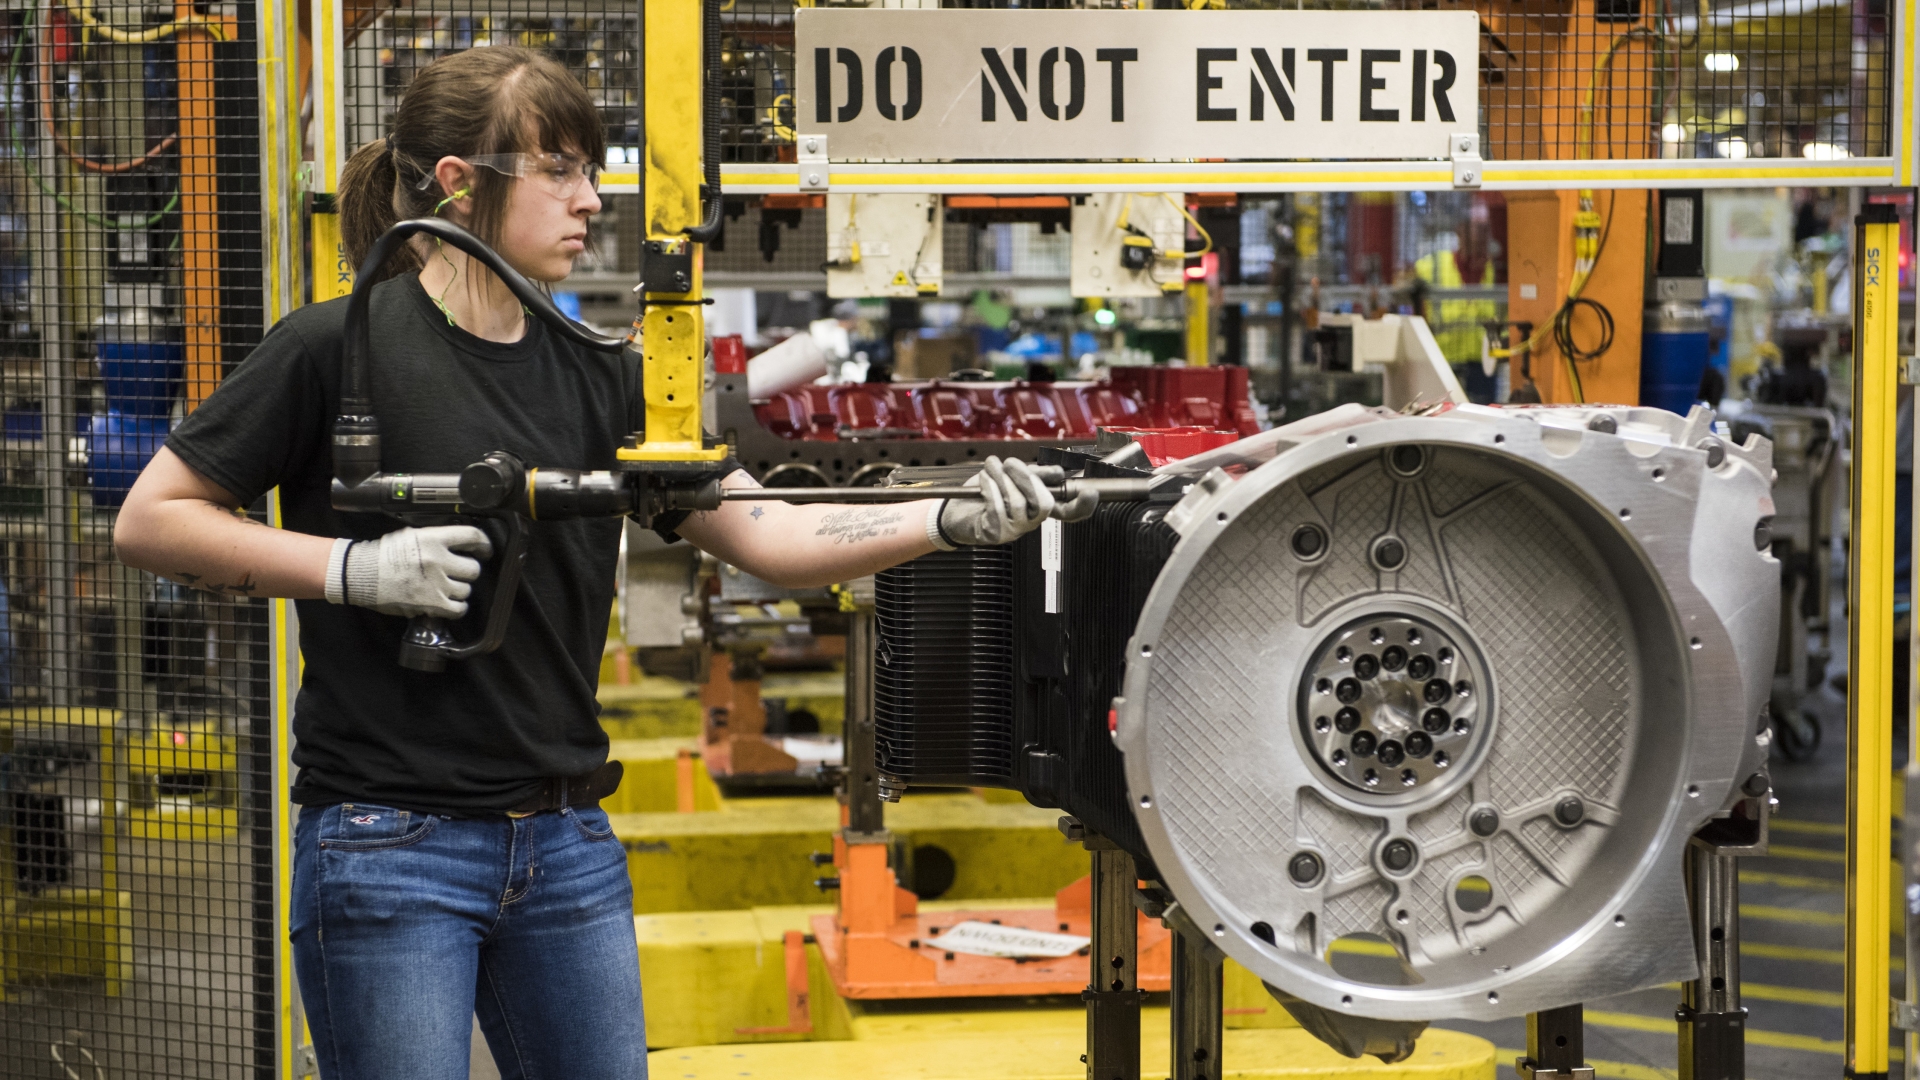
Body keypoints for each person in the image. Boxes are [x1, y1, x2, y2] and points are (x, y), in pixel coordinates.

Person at [112, 47, 1068, 1080]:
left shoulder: (605, 375)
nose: (594, 198)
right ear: (459, 183)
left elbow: (771, 535)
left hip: (564, 842)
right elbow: (153, 519)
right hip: (390, 841)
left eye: (595, 167)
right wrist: (354, 571)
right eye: (561, 169)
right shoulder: (332, 349)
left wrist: (949, 518)